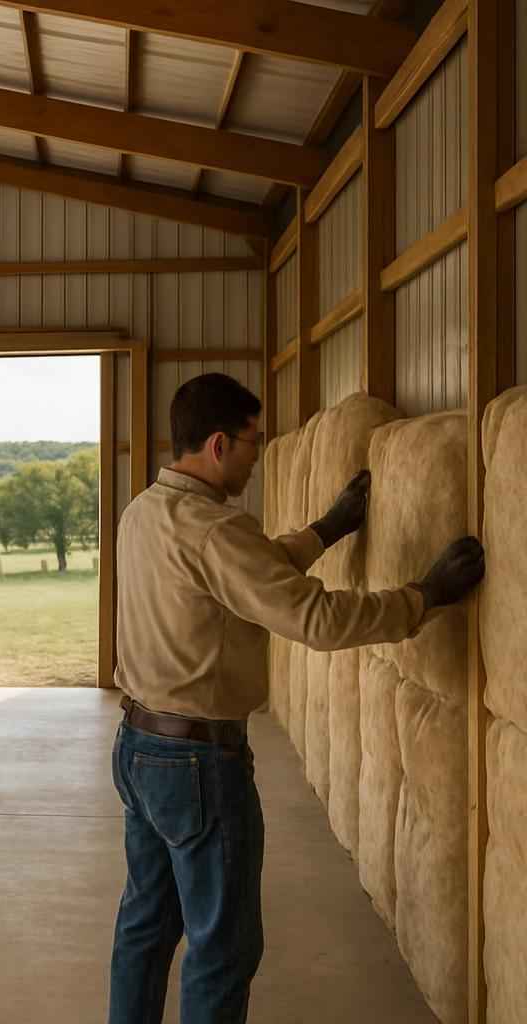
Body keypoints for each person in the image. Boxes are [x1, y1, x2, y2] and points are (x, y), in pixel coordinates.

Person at [107, 373, 485, 1024]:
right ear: (221, 444)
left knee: (147, 922)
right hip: (197, 763)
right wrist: (423, 597)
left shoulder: (144, 513)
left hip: (140, 749)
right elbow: (312, 618)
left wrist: (327, 528)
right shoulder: (213, 529)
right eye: (254, 442)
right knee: (223, 947)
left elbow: (248, 574)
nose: (258, 457)